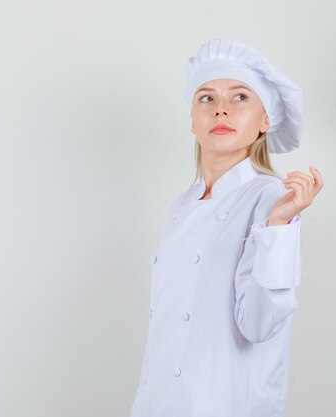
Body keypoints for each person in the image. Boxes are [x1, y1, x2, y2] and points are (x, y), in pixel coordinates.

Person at [129, 38, 324, 417]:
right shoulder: (183, 205)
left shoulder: (271, 199)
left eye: (239, 98)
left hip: (226, 403)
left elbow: (260, 323)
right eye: (207, 98)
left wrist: (279, 226)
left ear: (266, 121)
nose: (221, 110)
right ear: (192, 121)